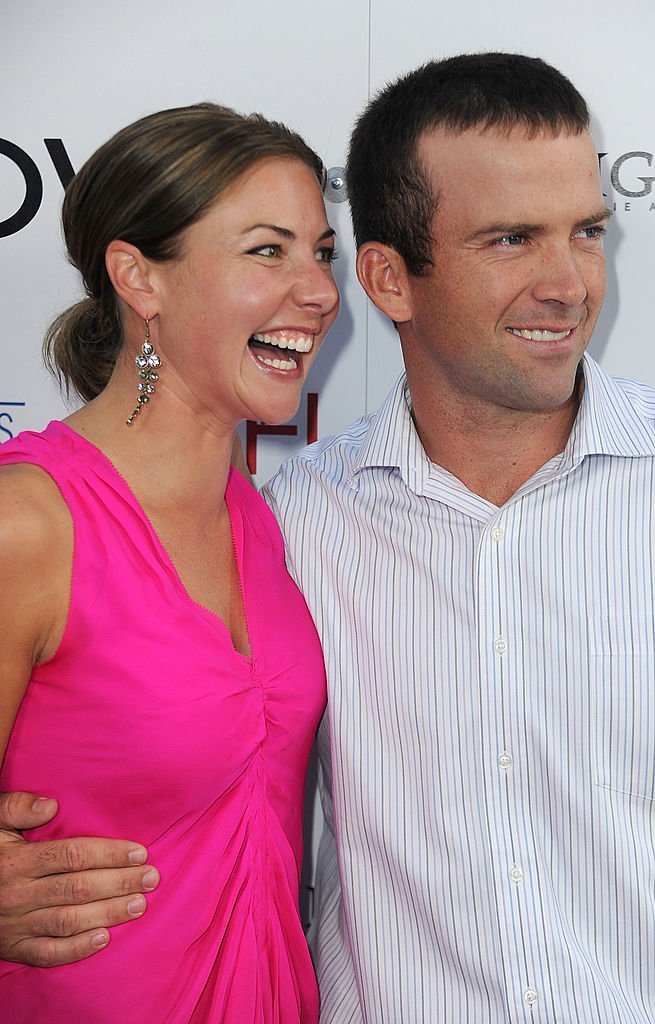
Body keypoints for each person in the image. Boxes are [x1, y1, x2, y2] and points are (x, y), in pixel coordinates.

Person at [2, 51, 655, 1023]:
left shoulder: (258, 526)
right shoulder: (289, 515)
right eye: (512, 238)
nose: (568, 282)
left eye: (587, 232)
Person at [0, 102, 338, 1022]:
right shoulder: (26, 523)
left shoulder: (258, 520)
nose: (317, 291)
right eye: (267, 251)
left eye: (321, 252)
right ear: (138, 276)